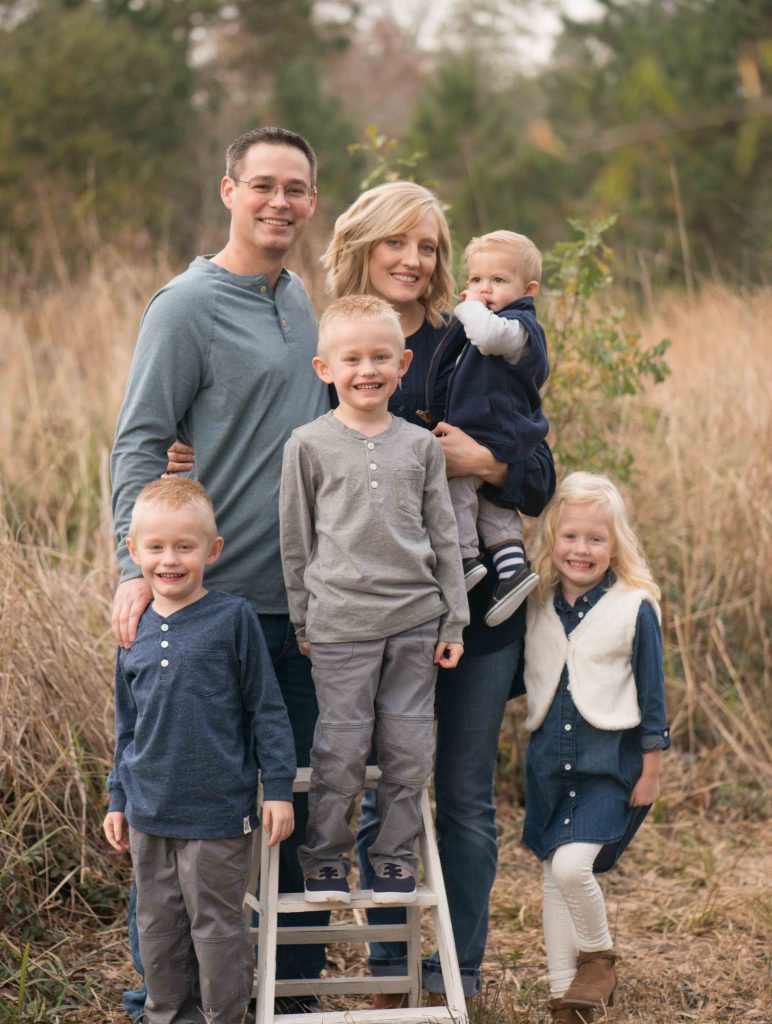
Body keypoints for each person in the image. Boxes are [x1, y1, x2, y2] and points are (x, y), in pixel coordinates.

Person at [110, 126, 330, 1019]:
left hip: (303, 606)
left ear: (312, 202)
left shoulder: (303, 299)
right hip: (209, 608)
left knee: (297, 807)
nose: (282, 201)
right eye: (265, 185)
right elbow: (137, 438)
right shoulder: (185, 305)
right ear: (230, 189)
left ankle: (288, 994)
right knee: (178, 812)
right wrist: (131, 569)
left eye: (298, 189)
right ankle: (162, 998)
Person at [321, 181, 556, 1000]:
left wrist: (484, 464)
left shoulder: (471, 341)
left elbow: (537, 466)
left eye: (427, 247)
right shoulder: (337, 346)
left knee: (460, 797)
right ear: (363, 244)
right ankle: (389, 967)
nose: (414, 261)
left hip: (478, 614)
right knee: (378, 788)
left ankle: (460, 970)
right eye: (398, 243)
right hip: (371, 616)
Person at [279, 295, 468, 905]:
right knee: (340, 747)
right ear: (324, 369)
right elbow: (297, 540)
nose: (368, 369)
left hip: (416, 623)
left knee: (410, 750)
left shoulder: (420, 447)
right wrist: (302, 616)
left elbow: (445, 538)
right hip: (340, 625)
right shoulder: (307, 444)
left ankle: (391, 856)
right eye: (352, 358)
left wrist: (454, 622)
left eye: (381, 357)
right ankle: (326, 857)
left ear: (403, 363)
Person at [104, 478, 296, 1024]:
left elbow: (266, 709)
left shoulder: (233, 619)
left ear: (212, 551)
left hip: (218, 810)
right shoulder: (132, 629)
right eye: (157, 547)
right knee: (158, 928)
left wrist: (276, 788)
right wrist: (118, 797)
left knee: (216, 929)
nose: (171, 560)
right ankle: (167, 1015)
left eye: (185, 547)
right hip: (149, 811)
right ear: (133, 550)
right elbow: (127, 724)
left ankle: (224, 1017)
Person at [519, 472, 670, 1023]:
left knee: (571, 869)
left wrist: (651, 769)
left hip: (610, 766)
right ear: (552, 537)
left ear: (616, 544)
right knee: (552, 877)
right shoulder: (534, 602)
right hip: (548, 768)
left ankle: (600, 956)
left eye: (596, 539)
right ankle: (567, 999)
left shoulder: (634, 607)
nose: (581, 550)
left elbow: (653, 695)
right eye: (571, 536)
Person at [437, 230, 549, 627]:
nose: (484, 289)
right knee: (491, 502)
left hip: (496, 429)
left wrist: (467, 307)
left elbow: (487, 337)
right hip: (494, 431)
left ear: (528, 290)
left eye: (498, 281)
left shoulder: (518, 327)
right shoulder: (493, 320)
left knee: (457, 485)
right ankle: (512, 567)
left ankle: (464, 559)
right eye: (475, 280)